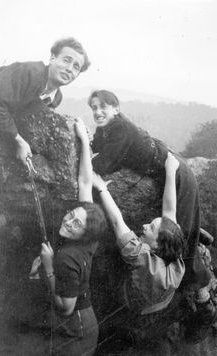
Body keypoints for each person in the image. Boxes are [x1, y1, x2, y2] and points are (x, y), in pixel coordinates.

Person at [88, 89, 216, 342]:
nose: (97, 112)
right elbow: (99, 147)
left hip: (178, 175)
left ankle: (205, 305)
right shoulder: (109, 128)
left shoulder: (121, 129)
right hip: (170, 169)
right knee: (176, 225)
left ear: (116, 108)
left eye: (104, 106)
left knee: (185, 245)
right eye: (93, 107)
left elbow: (102, 165)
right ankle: (191, 226)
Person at [39, 118, 107, 356]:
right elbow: (85, 182)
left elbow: (65, 309)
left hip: (76, 326)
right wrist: (84, 141)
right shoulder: (91, 236)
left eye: (76, 223)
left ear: (85, 232)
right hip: (87, 319)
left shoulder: (66, 258)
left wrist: (48, 265)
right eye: (70, 215)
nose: (68, 221)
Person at [93, 154, 185, 320]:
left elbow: (116, 222)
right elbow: (169, 211)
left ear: (156, 246)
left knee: (107, 261)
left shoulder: (141, 258)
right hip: (161, 301)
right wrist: (170, 170)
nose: (144, 226)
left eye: (150, 228)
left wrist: (102, 188)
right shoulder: (173, 248)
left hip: (131, 301)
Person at [0, 37, 90, 165]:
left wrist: (82, 133)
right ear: (52, 58)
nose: (70, 68)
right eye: (66, 60)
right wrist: (18, 140)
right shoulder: (28, 72)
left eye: (76, 67)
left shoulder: (56, 98)